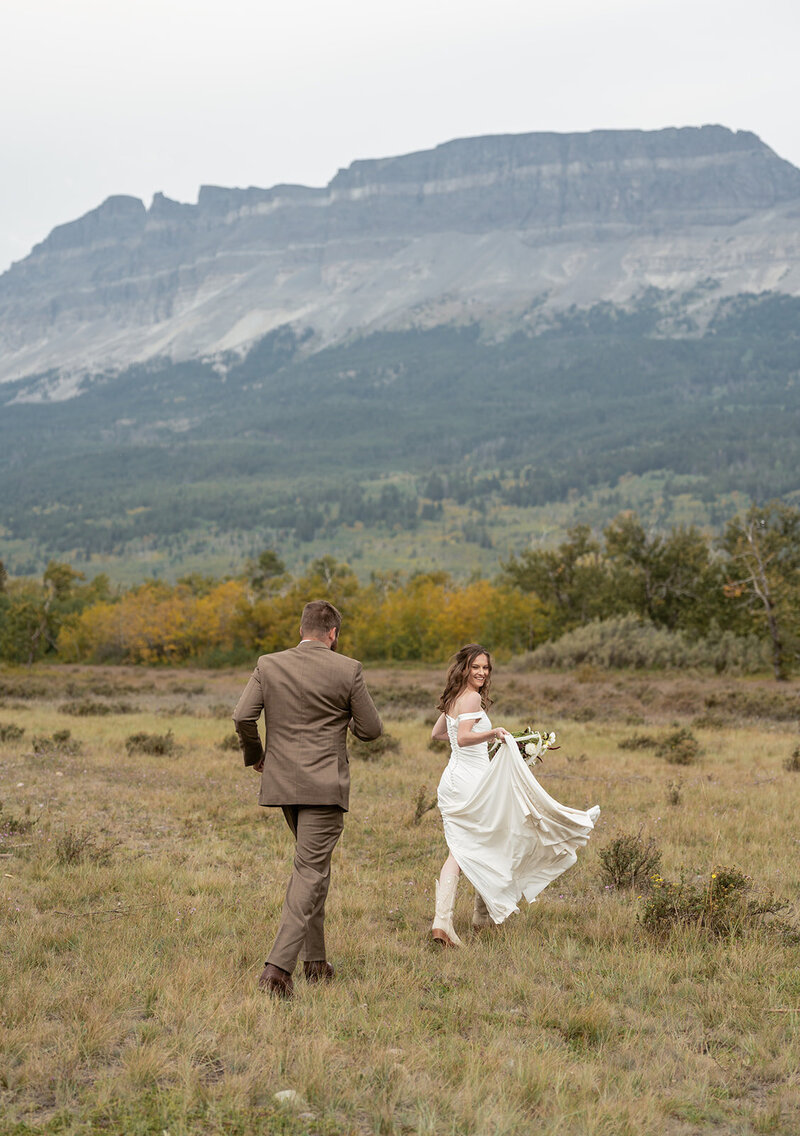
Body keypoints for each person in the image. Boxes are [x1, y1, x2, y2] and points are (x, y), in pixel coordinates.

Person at [233, 599, 383, 997]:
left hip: (283, 783)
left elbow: (242, 716)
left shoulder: (268, 664)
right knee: (311, 871)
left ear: (302, 629)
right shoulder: (347, 669)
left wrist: (256, 755)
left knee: (312, 867)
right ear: (333, 633)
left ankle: (315, 961)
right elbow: (371, 729)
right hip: (325, 785)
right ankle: (277, 970)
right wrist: (342, 712)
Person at [430, 643, 600, 946]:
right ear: (464, 668)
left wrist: (481, 745)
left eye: (485, 667)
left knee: (483, 840)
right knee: (464, 848)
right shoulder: (470, 698)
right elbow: (466, 736)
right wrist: (494, 734)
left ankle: (480, 915)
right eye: (476, 667)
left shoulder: (454, 697)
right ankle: (443, 921)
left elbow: (441, 734)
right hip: (470, 780)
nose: (481, 672)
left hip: (454, 778)